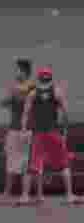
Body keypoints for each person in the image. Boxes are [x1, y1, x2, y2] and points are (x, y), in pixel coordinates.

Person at [20, 66, 78, 205]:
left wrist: (23, 131)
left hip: (38, 134)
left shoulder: (33, 94)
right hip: (53, 132)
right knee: (64, 164)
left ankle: (25, 196)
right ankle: (69, 195)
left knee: (33, 166)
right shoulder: (57, 92)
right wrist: (65, 131)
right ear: (51, 79)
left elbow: (26, 114)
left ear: (38, 79)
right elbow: (65, 114)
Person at [0, 59, 36, 198]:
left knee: (26, 162)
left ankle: (25, 193)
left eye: (17, 70)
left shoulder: (32, 87)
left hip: (27, 129)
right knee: (11, 160)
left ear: (24, 71)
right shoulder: (14, 87)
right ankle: (7, 192)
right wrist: (11, 97)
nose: (15, 72)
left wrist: (16, 95)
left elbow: (32, 103)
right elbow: (4, 102)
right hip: (14, 127)